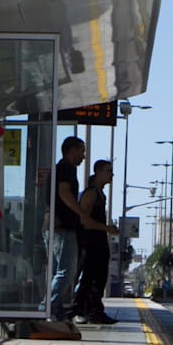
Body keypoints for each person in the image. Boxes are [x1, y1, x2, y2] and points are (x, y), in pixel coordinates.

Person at [72, 160, 121, 325]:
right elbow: (85, 221)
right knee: (88, 278)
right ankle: (78, 310)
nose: (111, 175)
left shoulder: (100, 194)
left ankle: (95, 311)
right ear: (98, 172)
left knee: (99, 278)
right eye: (108, 171)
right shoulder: (91, 194)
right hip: (90, 243)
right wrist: (107, 228)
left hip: (99, 243)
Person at [47, 135, 88, 322]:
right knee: (67, 271)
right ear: (73, 151)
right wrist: (81, 213)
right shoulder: (66, 168)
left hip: (57, 227)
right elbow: (64, 192)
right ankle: (47, 306)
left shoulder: (61, 168)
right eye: (82, 151)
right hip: (62, 228)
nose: (84, 156)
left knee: (58, 272)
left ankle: (53, 309)